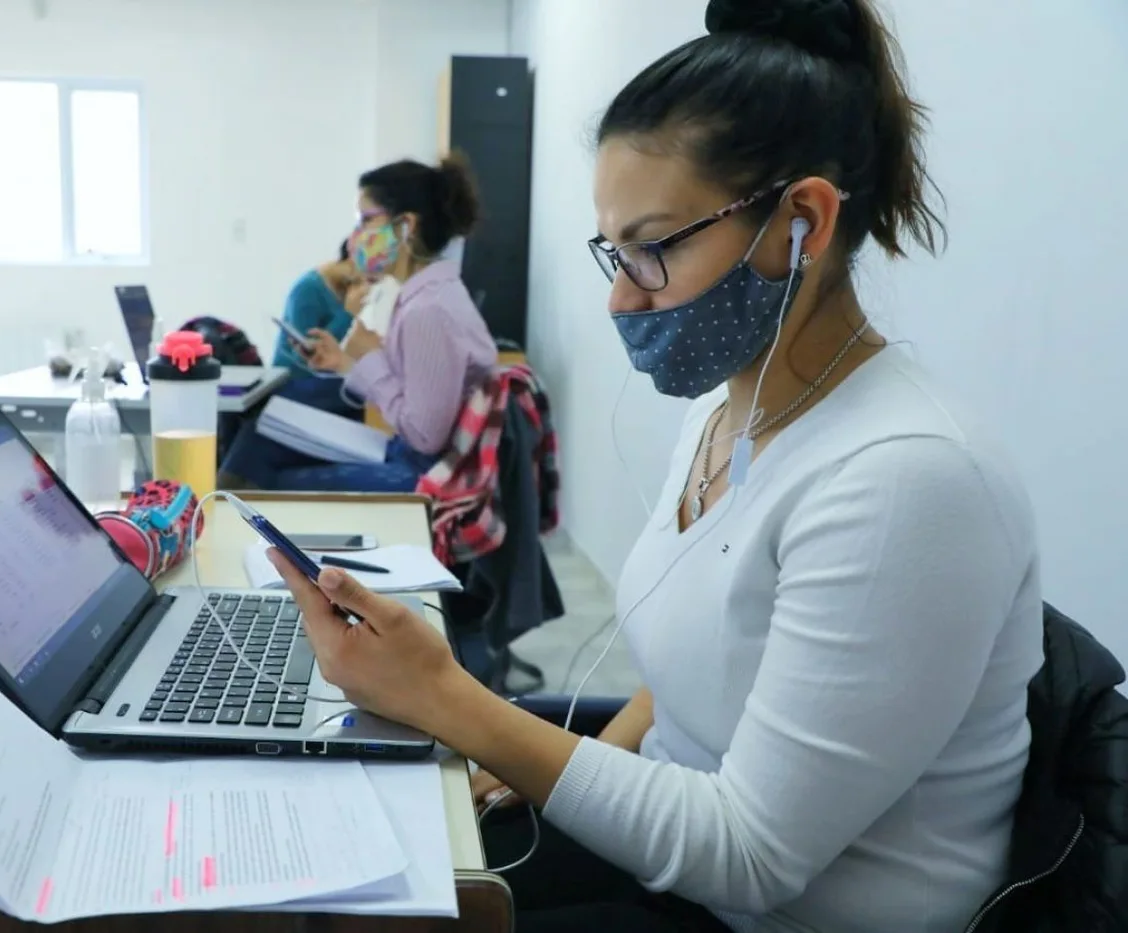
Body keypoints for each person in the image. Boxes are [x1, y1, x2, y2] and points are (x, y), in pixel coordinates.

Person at [265, 2, 1043, 932]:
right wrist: (537, 759)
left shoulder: (910, 482)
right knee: (357, 871)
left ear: (801, 220)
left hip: (758, 909)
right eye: (613, 249)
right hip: (677, 848)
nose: (621, 297)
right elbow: (693, 679)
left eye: (652, 249)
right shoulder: (730, 411)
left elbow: (751, 858)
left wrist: (450, 698)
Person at [218, 153, 496, 492]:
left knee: (274, 481)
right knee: (260, 436)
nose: (355, 238)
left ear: (406, 226)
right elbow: (407, 395)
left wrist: (368, 358)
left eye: (366, 221)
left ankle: (216, 519)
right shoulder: (424, 296)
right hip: (411, 454)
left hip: (424, 471)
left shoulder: (428, 311)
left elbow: (424, 437)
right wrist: (347, 362)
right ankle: (217, 516)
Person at [271, 241, 362, 370]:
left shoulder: (353, 287)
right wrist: (349, 312)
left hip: (333, 373)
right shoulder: (308, 289)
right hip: (297, 378)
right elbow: (304, 357)